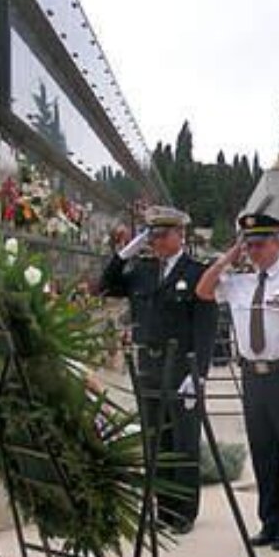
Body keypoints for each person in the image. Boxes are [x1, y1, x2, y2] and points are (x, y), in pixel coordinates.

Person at [195, 213, 279, 552]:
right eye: (249, 244)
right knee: (262, 452)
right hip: (253, 376)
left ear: (276, 243)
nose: (253, 251)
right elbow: (203, 290)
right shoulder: (238, 282)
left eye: (259, 244)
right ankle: (269, 521)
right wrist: (228, 256)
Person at [98, 206, 217, 533]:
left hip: (180, 368)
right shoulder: (143, 271)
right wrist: (124, 254)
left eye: (162, 235)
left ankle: (183, 513)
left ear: (180, 235)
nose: (156, 242)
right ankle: (163, 509)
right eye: (152, 236)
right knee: (157, 442)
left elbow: (206, 327)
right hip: (148, 366)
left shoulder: (196, 273)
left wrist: (199, 375)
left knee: (183, 441)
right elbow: (105, 286)